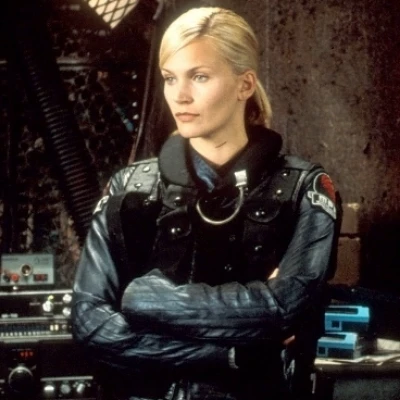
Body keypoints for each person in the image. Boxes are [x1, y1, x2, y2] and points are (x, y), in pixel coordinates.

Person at [72, 6, 339, 400]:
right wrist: (228, 354)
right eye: (170, 78)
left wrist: (147, 301)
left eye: (199, 76)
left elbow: (287, 308)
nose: (180, 95)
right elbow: (90, 323)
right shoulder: (129, 187)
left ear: (244, 84)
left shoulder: (304, 187)